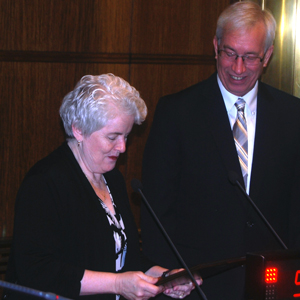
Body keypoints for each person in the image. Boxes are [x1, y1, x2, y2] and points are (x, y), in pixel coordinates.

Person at [141, 1, 300, 300]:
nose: (237, 68)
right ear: (215, 46)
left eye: (250, 57)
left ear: (268, 55)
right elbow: (156, 208)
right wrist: (167, 274)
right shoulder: (177, 112)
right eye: (230, 53)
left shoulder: (293, 116)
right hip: (198, 285)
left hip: (270, 284)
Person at [4, 74, 201, 300]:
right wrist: (117, 284)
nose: (123, 147)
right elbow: (38, 271)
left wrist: (165, 278)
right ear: (78, 129)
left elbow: (126, 261)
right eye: (113, 136)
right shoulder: (45, 182)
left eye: (126, 136)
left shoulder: (112, 179)